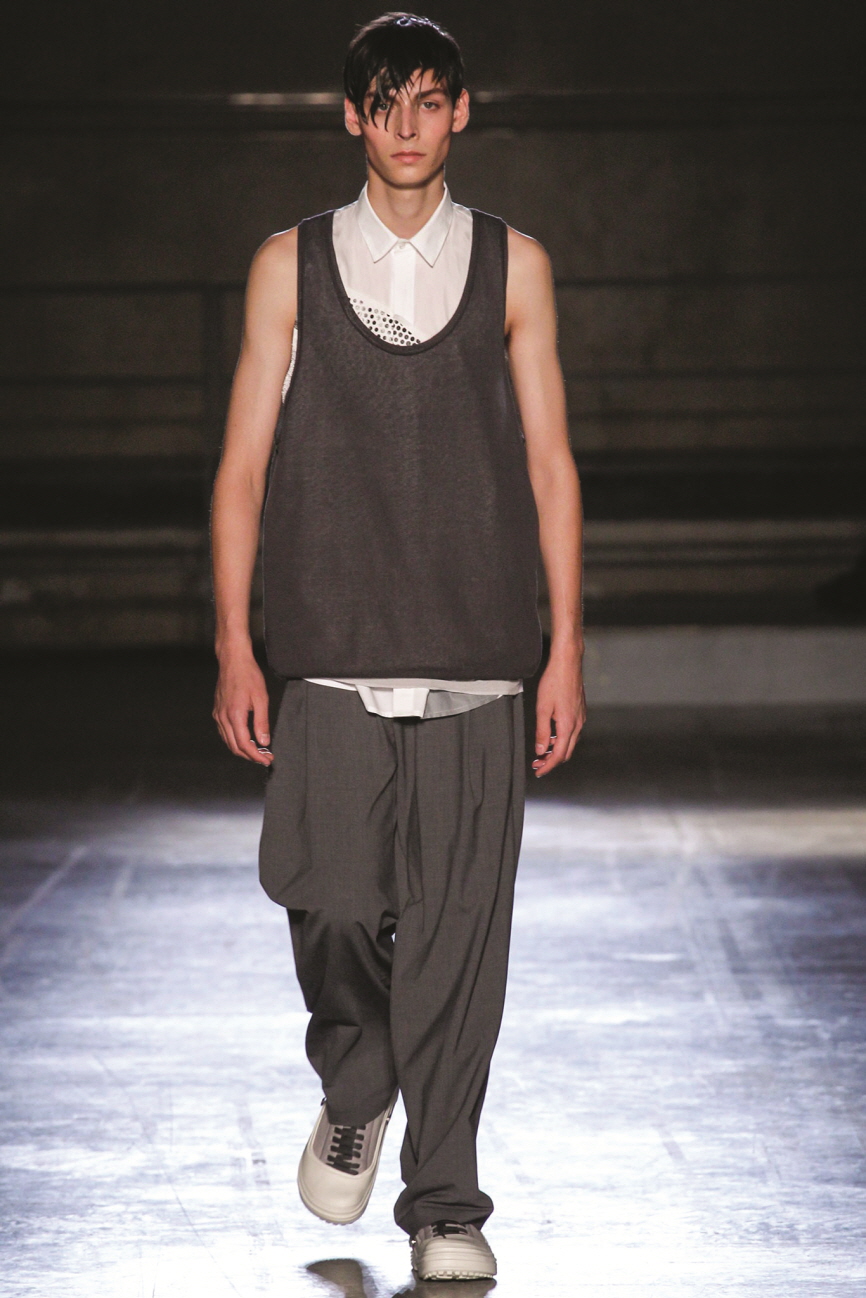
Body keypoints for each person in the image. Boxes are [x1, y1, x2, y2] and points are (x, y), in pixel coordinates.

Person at [210, 11, 585, 1282]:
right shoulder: (289, 265)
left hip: (478, 647)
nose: (409, 125)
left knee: (458, 942)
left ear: (461, 112)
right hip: (326, 645)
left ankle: (444, 1202)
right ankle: (357, 1075)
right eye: (387, 103)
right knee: (322, 897)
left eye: (431, 100)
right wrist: (234, 641)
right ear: (352, 118)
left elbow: (548, 464)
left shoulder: (514, 266)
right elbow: (242, 467)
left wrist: (564, 648)